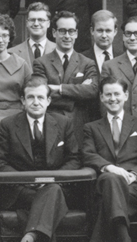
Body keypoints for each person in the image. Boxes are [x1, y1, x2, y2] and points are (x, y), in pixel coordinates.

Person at [0, 76, 81, 242]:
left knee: (53, 190)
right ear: (22, 101)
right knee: (51, 197)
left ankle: (31, 235)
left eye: (40, 97)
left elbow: (74, 158)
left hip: (56, 185)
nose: (35, 102)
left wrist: (52, 179)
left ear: (48, 101)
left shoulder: (63, 123)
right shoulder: (8, 124)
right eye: (30, 97)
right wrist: (26, 181)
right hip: (21, 189)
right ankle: (33, 234)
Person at [83, 77, 137, 242]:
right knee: (110, 179)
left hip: (134, 187)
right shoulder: (91, 127)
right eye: (108, 94)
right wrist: (109, 167)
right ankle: (123, 237)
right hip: (106, 182)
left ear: (126, 95)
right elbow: (87, 154)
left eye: (116, 94)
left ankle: (118, 235)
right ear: (101, 97)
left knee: (107, 199)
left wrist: (133, 175)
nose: (112, 98)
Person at [33, 10, 98, 145]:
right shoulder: (41, 63)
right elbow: (41, 93)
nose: (67, 36)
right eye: (62, 31)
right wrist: (77, 96)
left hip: (78, 127)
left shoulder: (87, 63)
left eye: (71, 31)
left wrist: (59, 88)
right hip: (51, 124)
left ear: (77, 34)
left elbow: (92, 91)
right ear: (54, 33)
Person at [8, 2, 56, 72]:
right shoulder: (11, 54)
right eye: (32, 20)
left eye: (40, 20)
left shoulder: (59, 51)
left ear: (48, 23)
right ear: (27, 23)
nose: (36, 24)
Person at [82, 10, 122, 74]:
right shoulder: (82, 58)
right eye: (100, 30)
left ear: (115, 31)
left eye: (108, 31)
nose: (104, 36)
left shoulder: (123, 57)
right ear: (92, 31)